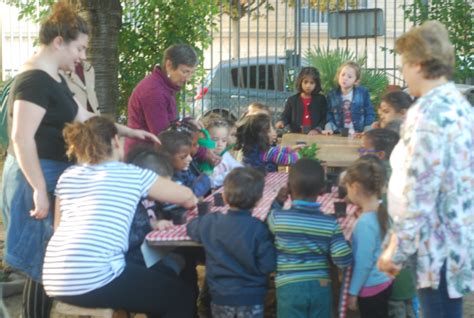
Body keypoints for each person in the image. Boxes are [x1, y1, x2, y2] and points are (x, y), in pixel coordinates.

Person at [0, 4, 158, 317]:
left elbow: (83, 115)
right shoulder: (33, 80)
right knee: (40, 263)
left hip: (46, 174)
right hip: (34, 176)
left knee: (45, 260)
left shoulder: (53, 77)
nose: (83, 56)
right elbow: (21, 138)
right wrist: (39, 189)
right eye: (80, 48)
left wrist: (130, 131)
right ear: (59, 41)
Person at [42, 116, 196, 317]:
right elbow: (187, 198)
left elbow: (58, 228)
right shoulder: (131, 174)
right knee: (180, 297)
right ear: (115, 141)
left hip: (54, 277)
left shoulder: (68, 176)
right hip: (98, 276)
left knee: (162, 285)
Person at [377, 21, 474, 318]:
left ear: (418, 64)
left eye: (404, 65)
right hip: (452, 241)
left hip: (436, 247)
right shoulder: (458, 105)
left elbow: (420, 191)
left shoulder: (428, 113)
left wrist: (397, 248)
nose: (403, 74)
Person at [268, 158, 352, 318]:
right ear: (322, 190)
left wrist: (278, 201)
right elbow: (342, 259)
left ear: (289, 188)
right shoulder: (330, 223)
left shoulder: (278, 218)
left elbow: (268, 220)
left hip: (288, 286)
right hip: (320, 285)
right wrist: (348, 246)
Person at [187, 167, 276, 318]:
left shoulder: (211, 222)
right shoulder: (259, 229)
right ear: (258, 201)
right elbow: (268, 265)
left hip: (221, 297)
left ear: (224, 197)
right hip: (252, 298)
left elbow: (191, 227)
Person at [343, 158, 393, 317]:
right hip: (385, 279)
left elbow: (363, 263)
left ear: (355, 187)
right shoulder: (382, 209)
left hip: (371, 286)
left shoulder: (364, 223)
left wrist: (353, 293)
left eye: (347, 187)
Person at [125, 44, 198, 153]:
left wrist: (187, 123)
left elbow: (170, 125)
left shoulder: (163, 86)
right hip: (144, 157)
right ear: (169, 65)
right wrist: (202, 152)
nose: (188, 79)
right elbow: (164, 137)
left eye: (191, 73)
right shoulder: (154, 92)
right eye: (185, 72)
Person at [235, 113, 300, 172]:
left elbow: (275, 150)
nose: (274, 132)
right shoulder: (266, 152)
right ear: (261, 135)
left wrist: (289, 149)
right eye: (270, 130)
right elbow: (289, 159)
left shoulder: (250, 147)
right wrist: (301, 154)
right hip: (265, 182)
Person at [324, 61, 375, 135]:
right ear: (338, 76)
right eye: (343, 75)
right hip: (339, 133)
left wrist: (367, 128)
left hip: (359, 133)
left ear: (356, 81)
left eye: (349, 77)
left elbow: (369, 112)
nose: (345, 78)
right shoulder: (332, 94)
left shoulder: (363, 93)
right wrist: (329, 127)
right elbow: (329, 114)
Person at [158, 129, 211, 198]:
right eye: (183, 157)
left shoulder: (183, 170)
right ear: (167, 158)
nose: (190, 159)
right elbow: (188, 196)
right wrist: (205, 179)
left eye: (189, 154)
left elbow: (194, 182)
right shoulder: (166, 181)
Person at [275, 66, 327, 134]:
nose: (308, 85)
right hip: (296, 134)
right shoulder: (292, 100)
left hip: (316, 135)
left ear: (316, 84)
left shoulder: (321, 99)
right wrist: (282, 122)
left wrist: (317, 130)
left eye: (312, 83)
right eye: (305, 82)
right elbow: (286, 115)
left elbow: (324, 118)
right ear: (300, 82)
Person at [202, 116, 242, 188]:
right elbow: (211, 181)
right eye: (215, 139)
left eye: (224, 140)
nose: (220, 144)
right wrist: (230, 175)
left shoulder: (225, 155)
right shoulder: (204, 158)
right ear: (205, 139)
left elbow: (239, 168)